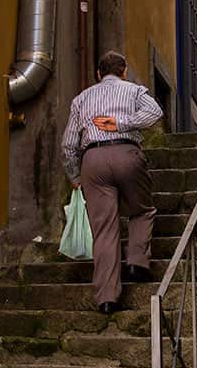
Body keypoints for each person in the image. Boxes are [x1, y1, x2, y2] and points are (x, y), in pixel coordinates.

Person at [61, 50, 163, 315]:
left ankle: (107, 298)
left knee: (104, 230)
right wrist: (122, 123)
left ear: (98, 74)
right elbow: (155, 112)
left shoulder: (81, 99)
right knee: (142, 209)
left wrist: (75, 177)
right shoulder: (134, 91)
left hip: (92, 160)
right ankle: (137, 263)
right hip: (127, 153)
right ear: (124, 71)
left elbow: (69, 144)